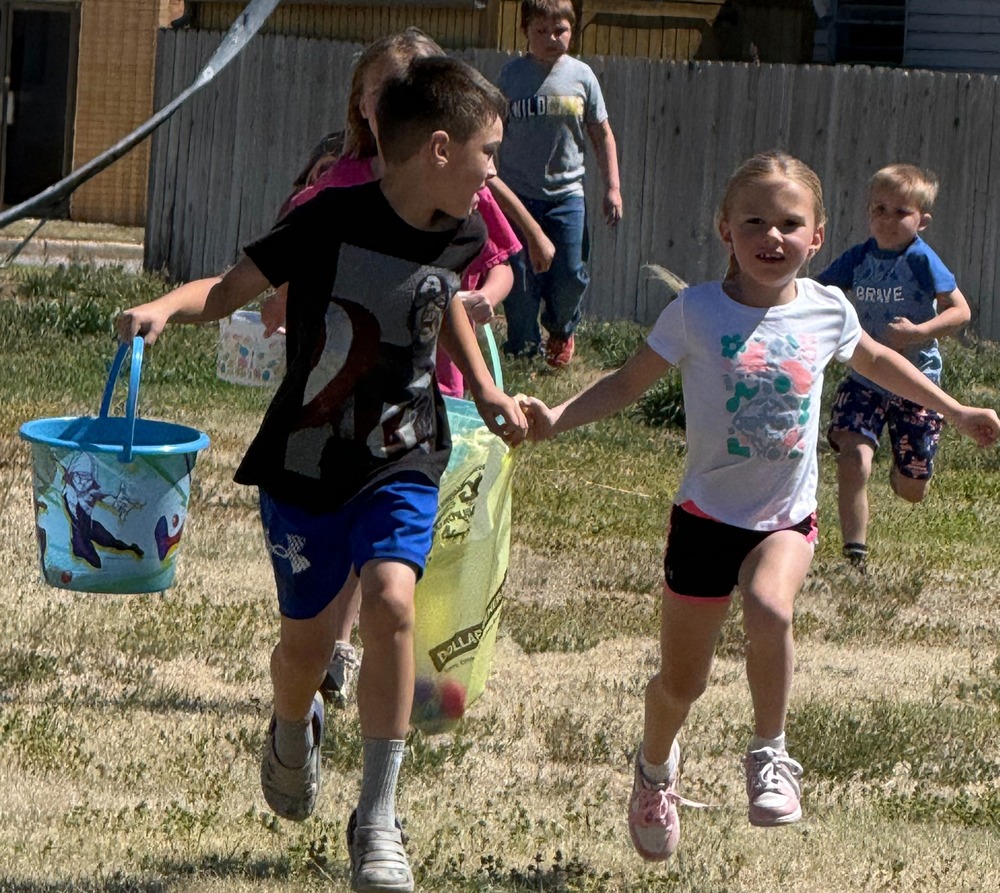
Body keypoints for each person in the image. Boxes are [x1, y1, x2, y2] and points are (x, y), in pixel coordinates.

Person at [118, 56, 528, 893]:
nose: (495, 169)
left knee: (389, 599)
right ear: (440, 148)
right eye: (489, 150)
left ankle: (377, 817)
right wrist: (164, 307)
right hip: (305, 460)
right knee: (303, 649)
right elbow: (231, 288)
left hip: (403, 454)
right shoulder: (326, 218)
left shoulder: (464, 227)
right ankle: (287, 724)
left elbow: (442, 294)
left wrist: (483, 388)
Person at [517, 152, 999, 862]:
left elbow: (878, 363)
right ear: (725, 230)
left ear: (818, 236)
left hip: (786, 518)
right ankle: (655, 768)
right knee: (682, 683)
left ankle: (769, 752)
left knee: (772, 607)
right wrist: (555, 417)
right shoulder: (696, 312)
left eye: (790, 223)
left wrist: (954, 410)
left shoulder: (827, 308)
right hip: (706, 519)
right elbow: (625, 382)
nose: (772, 236)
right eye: (755, 222)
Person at [264, 29, 542, 708]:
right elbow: (277, 284)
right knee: (347, 536)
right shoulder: (334, 191)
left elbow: (492, 265)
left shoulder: (460, 196)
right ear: (361, 100)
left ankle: (378, 654)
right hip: (333, 403)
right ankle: (327, 653)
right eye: (390, 87)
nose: (407, 98)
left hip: (427, 394)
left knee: (394, 541)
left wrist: (482, 360)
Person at [818, 163, 971, 573]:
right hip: (865, 377)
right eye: (878, 209)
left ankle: (905, 470)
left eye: (900, 212)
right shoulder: (859, 257)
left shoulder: (921, 259)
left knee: (911, 491)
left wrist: (919, 330)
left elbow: (960, 311)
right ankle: (855, 553)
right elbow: (819, 290)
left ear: (922, 220)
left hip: (917, 381)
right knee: (852, 457)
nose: (886, 220)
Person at [497, 0, 623, 366]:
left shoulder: (582, 77)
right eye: (541, 31)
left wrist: (612, 187)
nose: (551, 38)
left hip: (567, 197)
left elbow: (602, 134)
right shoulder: (510, 76)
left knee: (570, 273)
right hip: (517, 197)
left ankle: (561, 328)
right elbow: (492, 132)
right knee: (519, 278)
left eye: (560, 31)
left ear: (572, 30)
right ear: (525, 32)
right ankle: (522, 350)